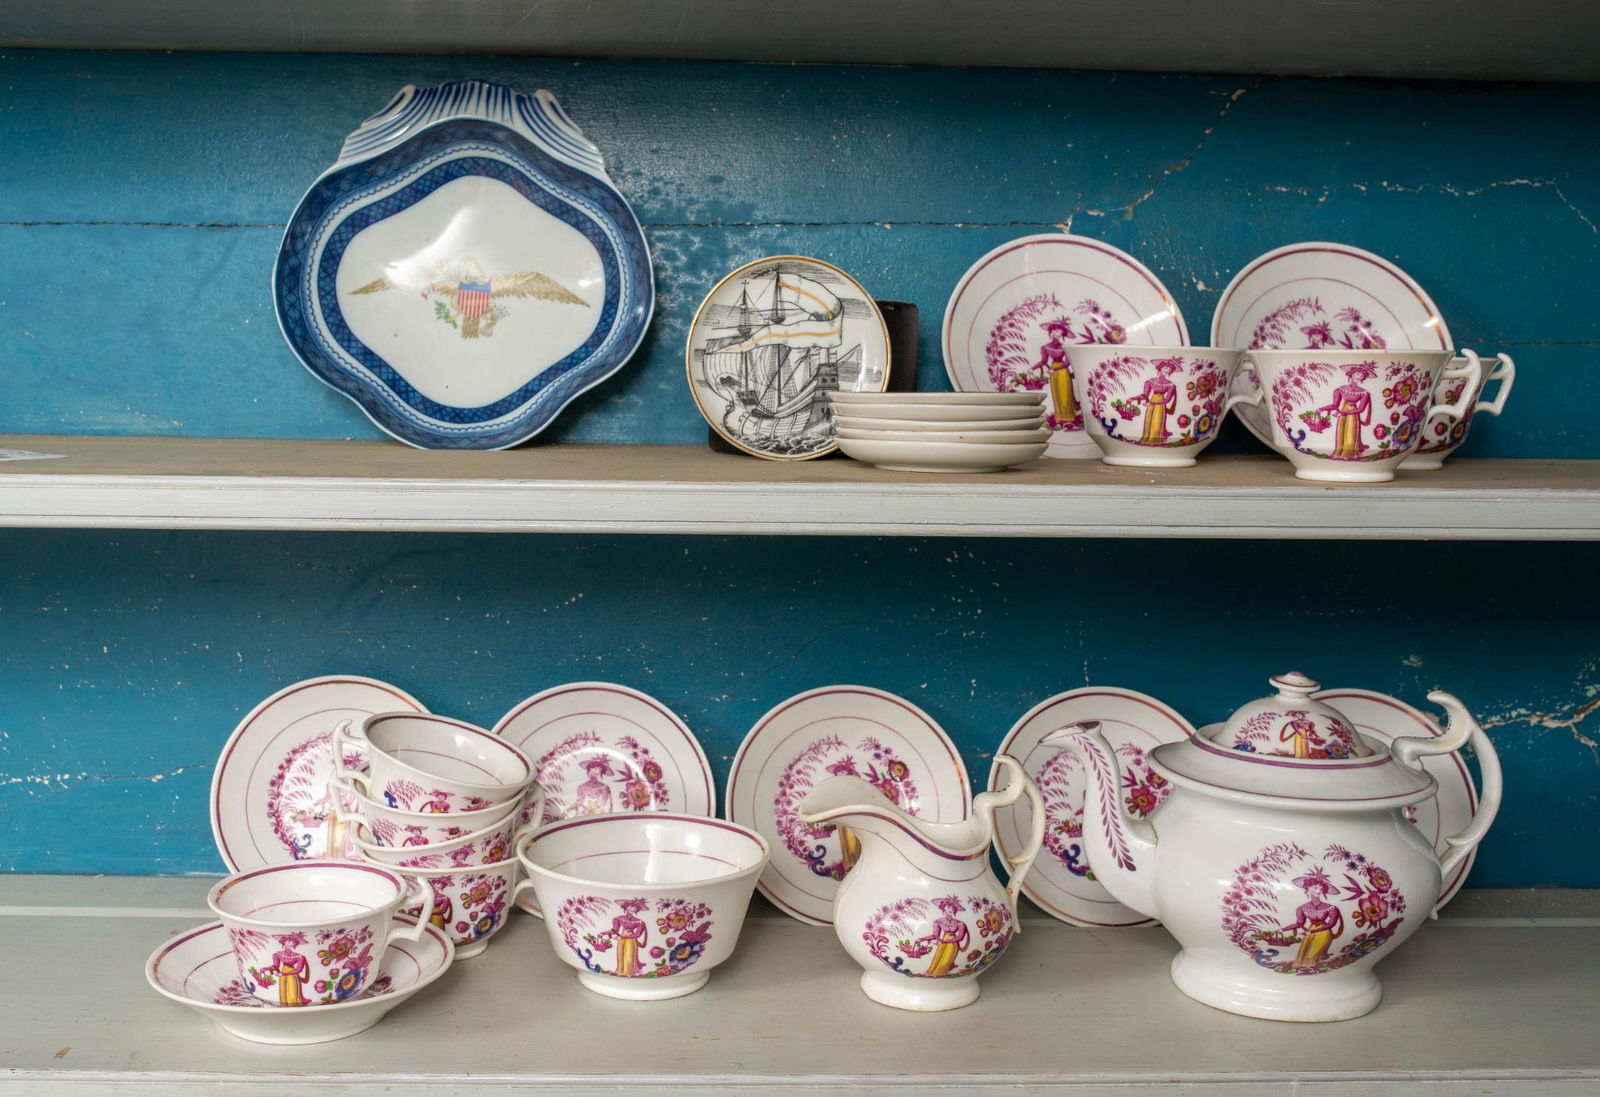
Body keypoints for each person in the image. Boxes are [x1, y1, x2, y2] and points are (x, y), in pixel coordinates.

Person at [1281, 869, 1344, 969]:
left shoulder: (1331, 908)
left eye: (1321, 889)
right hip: (1310, 931)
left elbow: (1331, 924)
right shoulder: (1302, 908)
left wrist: (1313, 931)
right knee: (1302, 956)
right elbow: (1299, 923)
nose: (1319, 891)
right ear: (1308, 888)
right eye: (1315, 888)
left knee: (1311, 957)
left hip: (1324, 931)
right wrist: (1282, 929)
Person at [1320, 363, 1376, 460]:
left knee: (1351, 434)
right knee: (1341, 433)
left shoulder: (1363, 392)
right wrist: (1322, 409)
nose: (1360, 376)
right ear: (1352, 373)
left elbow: (1361, 409)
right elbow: (1335, 405)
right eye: (1358, 373)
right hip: (1343, 414)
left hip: (1353, 414)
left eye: (1363, 375)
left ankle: (1350, 454)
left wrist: (1344, 413)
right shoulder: (1340, 389)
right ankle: (1339, 453)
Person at [916, 897, 971, 977]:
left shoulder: (960, 923)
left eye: (953, 908)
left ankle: (940, 975)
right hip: (943, 942)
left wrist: (947, 941)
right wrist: (921, 939)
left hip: (952, 943)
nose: (951, 909)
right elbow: (935, 935)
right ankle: (930, 974)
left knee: (945, 961)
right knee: (937, 959)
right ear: (943, 907)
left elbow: (960, 937)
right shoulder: (938, 921)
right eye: (949, 907)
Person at [1139, 359, 1183, 445]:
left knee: (1157, 421)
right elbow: (1145, 394)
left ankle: (1154, 440)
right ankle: (1145, 439)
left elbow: (1167, 399)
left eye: (1170, 369)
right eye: (1166, 367)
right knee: (1148, 420)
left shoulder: (1170, 385)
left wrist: (1154, 403)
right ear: (1161, 367)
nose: (1168, 370)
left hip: (1160, 404)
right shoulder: (1150, 381)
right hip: (1151, 402)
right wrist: (1145, 400)